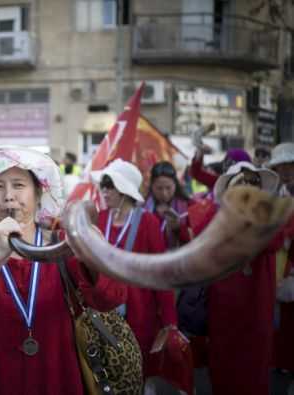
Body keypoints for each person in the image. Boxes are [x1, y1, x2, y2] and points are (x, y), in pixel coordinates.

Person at [0, 145, 126, 395]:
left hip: (57, 379)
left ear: (38, 193)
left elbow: (111, 298)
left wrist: (93, 257)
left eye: (18, 185)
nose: (8, 196)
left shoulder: (63, 243)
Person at [90, 159, 187, 394]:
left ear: (124, 189)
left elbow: (159, 274)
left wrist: (170, 323)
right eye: (102, 184)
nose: (103, 190)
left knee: (134, 373)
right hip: (101, 313)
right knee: (103, 374)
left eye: (109, 184)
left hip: (139, 315)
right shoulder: (100, 218)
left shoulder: (147, 222)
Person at [195, 162, 282, 395]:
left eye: (253, 182)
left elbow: (274, 241)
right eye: (240, 181)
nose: (247, 186)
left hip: (256, 311)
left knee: (254, 371)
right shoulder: (216, 215)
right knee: (223, 369)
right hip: (223, 311)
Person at [266, 142, 294, 378]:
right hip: (276, 265)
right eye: (281, 167)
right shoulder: (272, 196)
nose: (286, 171)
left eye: (290, 166)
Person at [145, 161, 192, 249]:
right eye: (159, 188)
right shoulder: (142, 209)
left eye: (168, 188)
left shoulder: (189, 206)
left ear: (175, 184)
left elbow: (197, 240)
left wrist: (179, 227)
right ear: (151, 186)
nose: (164, 193)